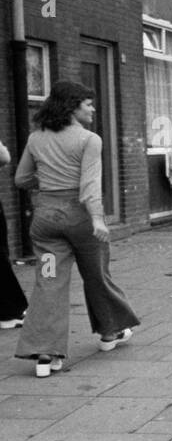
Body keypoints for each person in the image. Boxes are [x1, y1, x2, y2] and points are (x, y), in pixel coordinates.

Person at [13, 81, 139, 376]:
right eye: (88, 104)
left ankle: (45, 354)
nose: (93, 109)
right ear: (72, 107)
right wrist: (97, 218)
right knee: (96, 274)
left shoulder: (36, 138)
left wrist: (46, 184)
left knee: (48, 280)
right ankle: (110, 333)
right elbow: (90, 185)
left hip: (46, 224)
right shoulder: (89, 139)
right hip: (81, 221)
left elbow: (21, 179)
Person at [0, 138, 28, 329]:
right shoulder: (90, 140)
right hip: (64, 218)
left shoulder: (37, 138)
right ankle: (11, 310)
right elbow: (4, 157)